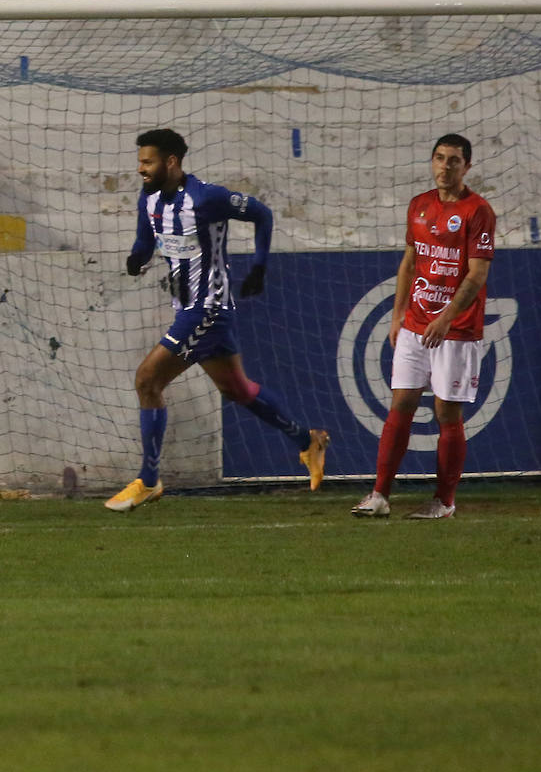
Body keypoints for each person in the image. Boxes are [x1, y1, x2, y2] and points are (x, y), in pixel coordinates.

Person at [108, 128, 329, 512]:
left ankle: (148, 479)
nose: (140, 169)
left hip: (206, 308)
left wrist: (259, 266)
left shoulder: (207, 197)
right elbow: (146, 241)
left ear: (171, 162)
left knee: (147, 380)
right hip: (190, 309)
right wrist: (135, 259)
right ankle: (307, 441)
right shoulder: (149, 199)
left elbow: (262, 213)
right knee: (239, 390)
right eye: (140, 161)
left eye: (148, 161)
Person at [352, 134, 495, 520]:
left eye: (454, 161)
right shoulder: (419, 206)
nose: (445, 167)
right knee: (400, 406)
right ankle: (379, 496)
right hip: (415, 326)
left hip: (457, 330)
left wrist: (445, 318)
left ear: (467, 167)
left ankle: (444, 501)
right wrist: (398, 315)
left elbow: (477, 274)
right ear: (432, 161)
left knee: (447, 415)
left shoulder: (478, 211)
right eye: (439, 158)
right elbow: (410, 263)